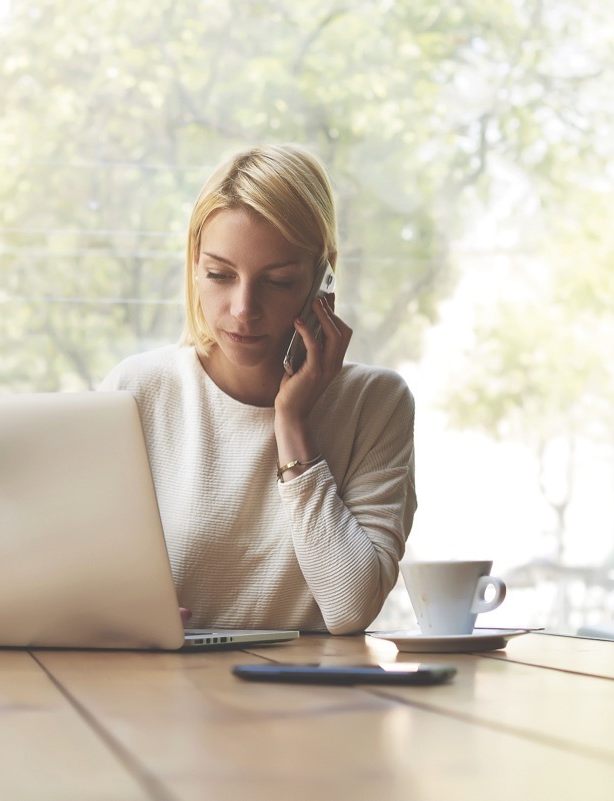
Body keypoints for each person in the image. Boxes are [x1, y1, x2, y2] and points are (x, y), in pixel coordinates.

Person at [100, 144, 416, 634]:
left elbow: (350, 608)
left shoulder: (376, 404)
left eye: (278, 280)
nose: (244, 308)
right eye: (220, 275)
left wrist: (291, 424)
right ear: (194, 269)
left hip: (310, 701)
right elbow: (79, 579)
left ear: (321, 282)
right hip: (159, 695)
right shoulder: (136, 391)